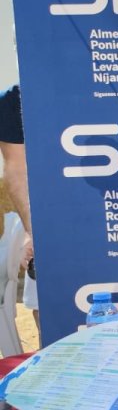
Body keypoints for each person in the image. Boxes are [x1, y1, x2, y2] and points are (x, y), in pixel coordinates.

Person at [0, 85, 35, 327]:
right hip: (49, 221)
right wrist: (32, 231)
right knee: (50, 311)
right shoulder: (12, 100)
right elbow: (15, 169)